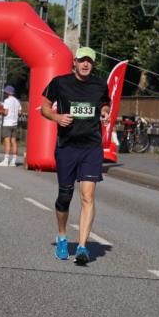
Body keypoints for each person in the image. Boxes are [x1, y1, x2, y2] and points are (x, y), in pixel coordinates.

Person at [39, 46, 110, 266]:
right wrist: (57, 117)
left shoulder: (100, 84)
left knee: (88, 196)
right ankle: (62, 237)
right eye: (81, 60)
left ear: (93, 64)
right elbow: (44, 108)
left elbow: (105, 102)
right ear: (75, 63)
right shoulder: (60, 82)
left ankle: (82, 246)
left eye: (89, 61)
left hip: (91, 147)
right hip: (67, 147)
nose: (85, 64)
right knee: (65, 195)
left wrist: (105, 110)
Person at [0, 84, 21, 167]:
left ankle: (6, 160)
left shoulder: (7, 101)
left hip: (7, 123)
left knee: (7, 142)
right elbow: (19, 113)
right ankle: (13, 161)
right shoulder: (17, 101)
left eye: (5, 92)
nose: (4, 94)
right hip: (15, 123)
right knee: (14, 142)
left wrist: (0, 112)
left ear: (7, 93)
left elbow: (6, 112)